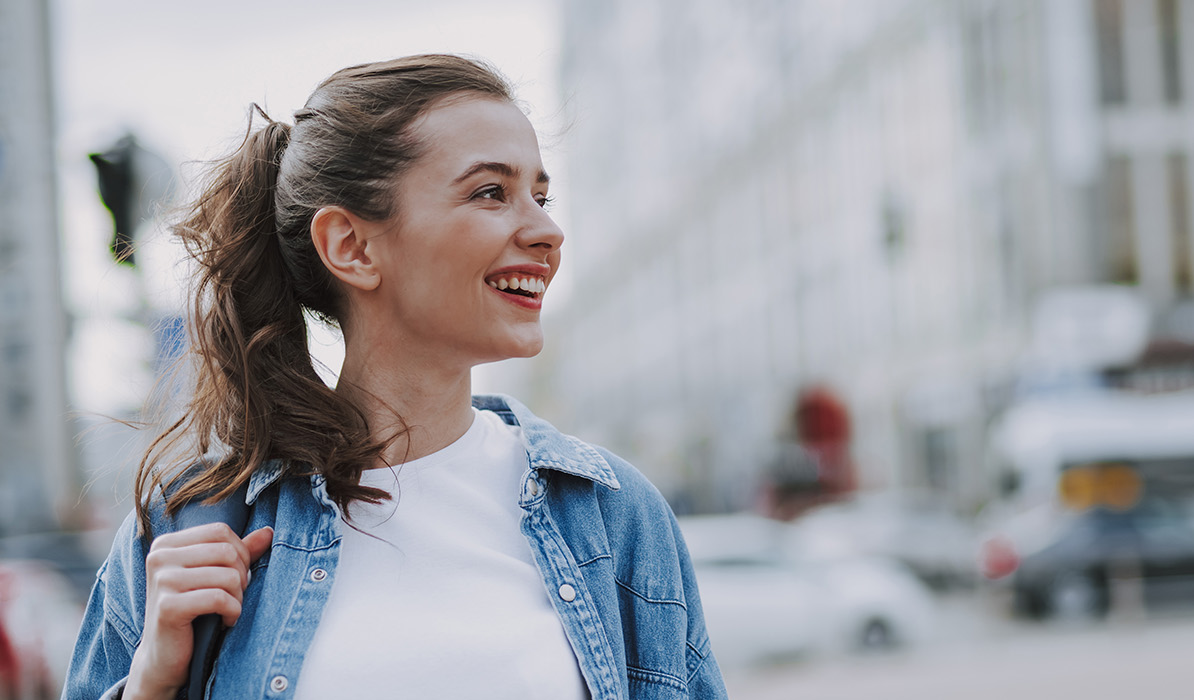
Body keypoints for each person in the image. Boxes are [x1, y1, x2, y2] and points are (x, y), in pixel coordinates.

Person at [62, 55, 726, 700]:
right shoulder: (192, 528)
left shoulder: (610, 514)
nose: (548, 230)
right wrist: (150, 687)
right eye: (491, 192)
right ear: (351, 247)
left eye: (542, 195)